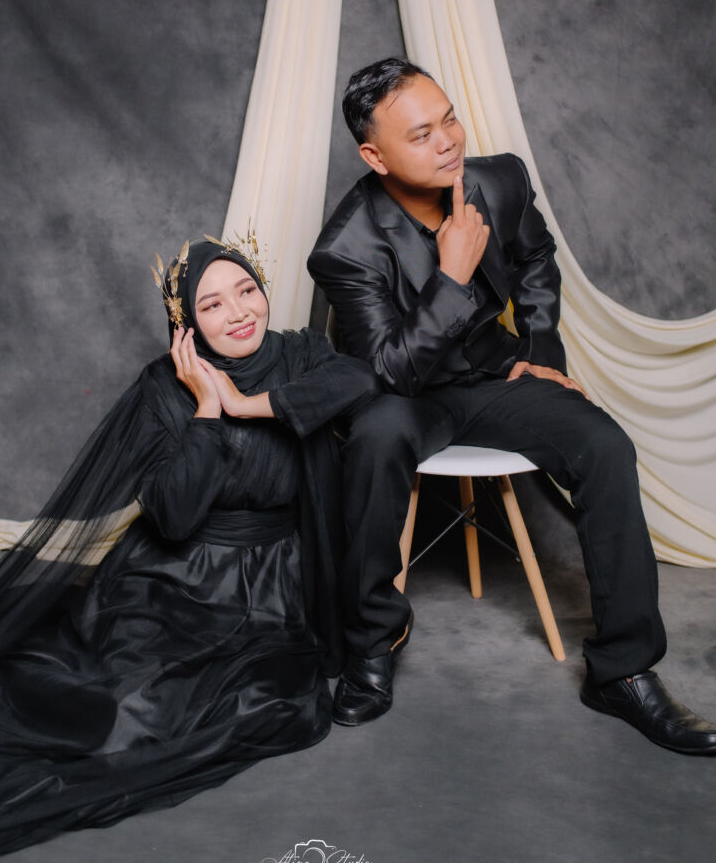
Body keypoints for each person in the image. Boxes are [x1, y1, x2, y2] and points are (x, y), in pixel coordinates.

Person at [0, 239, 378, 863]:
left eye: (247, 290)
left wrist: (249, 404)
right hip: (173, 578)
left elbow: (362, 379)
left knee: (265, 703)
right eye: (212, 305)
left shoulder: (301, 354)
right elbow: (174, 516)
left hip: (273, 588)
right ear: (187, 323)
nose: (238, 312)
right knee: (121, 704)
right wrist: (209, 411)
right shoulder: (165, 387)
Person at [307, 56, 716, 753]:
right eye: (420, 135)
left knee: (604, 444)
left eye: (449, 120)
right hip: (404, 394)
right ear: (375, 157)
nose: (447, 142)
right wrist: (453, 276)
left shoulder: (499, 182)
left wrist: (538, 348)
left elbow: (536, 257)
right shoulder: (345, 248)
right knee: (375, 439)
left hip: (493, 374)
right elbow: (390, 371)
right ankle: (373, 641)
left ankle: (623, 671)